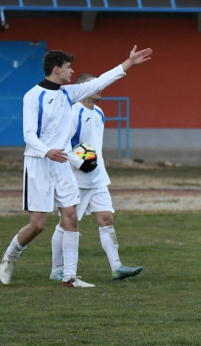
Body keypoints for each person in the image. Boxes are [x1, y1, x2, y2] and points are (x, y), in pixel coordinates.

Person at [0, 45, 153, 288]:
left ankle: (69, 277)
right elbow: (28, 135)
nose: (72, 71)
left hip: (61, 166)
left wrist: (129, 63)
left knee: (70, 217)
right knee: (38, 225)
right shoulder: (32, 96)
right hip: (38, 164)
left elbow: (103, 80)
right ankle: (10, 255)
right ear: (57, 69)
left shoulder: (69, 93)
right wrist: (47, 151)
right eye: (69, 68)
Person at [49, 74, 143, 282]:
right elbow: (63, 145)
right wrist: (80, 162)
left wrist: (94, 164)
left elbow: (92, 147)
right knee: (66, 224)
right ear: (82, 90)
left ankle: (117, 267)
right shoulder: (72, 113)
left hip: (98, 179)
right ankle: (57, 270)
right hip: (76, 180)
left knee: (106, 218)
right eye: (95, 85)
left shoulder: (99, 113)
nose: (101, 88)